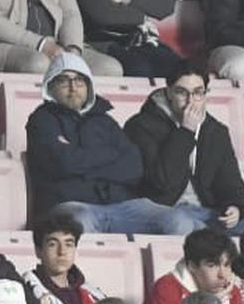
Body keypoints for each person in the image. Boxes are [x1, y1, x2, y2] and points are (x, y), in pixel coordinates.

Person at [28, 54, 199, 235]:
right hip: (73, 205)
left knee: (178, 221)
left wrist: (79, 160)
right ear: (50, 86)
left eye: (79, 81)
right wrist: (109, 157)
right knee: (78, 224)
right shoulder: (42, 121)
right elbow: (63, 164)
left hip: (123, 205)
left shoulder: (104, 121)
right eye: (64, 81)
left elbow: (134, 167)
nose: (73, 88)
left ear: (88, 86)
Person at [124, 67, 244, 232]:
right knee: (184, 225)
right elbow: (161, 182)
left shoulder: (216, 131)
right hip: (161, 209)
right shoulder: (140, 126)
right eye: (182, 92)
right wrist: (186, 132)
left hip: (206, 211)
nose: (190, 100)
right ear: (169, 93)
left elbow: (230, 181)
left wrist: (236, 206)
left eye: (198, 92)